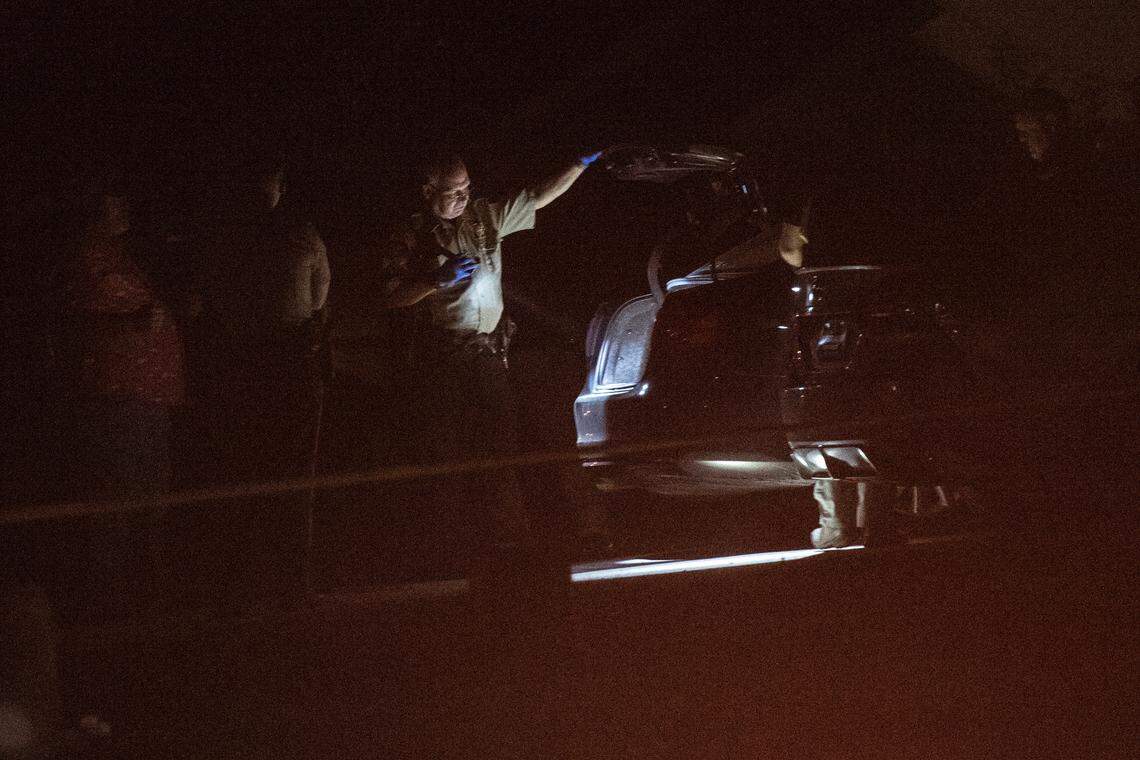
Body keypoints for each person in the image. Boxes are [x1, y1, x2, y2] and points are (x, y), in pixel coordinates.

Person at [380, 149, 602, 559]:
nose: (463, 197)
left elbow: (536, 197)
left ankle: (510, 538)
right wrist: (435, 280)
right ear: (428, 191)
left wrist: (577, 163)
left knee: (501, 444)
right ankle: (446, 547)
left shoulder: (483, 217)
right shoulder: (410, 234)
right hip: (443, 356)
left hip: (488, 353)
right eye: (453, 191)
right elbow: (390, 296)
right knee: (446, 451)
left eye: (467, 188)